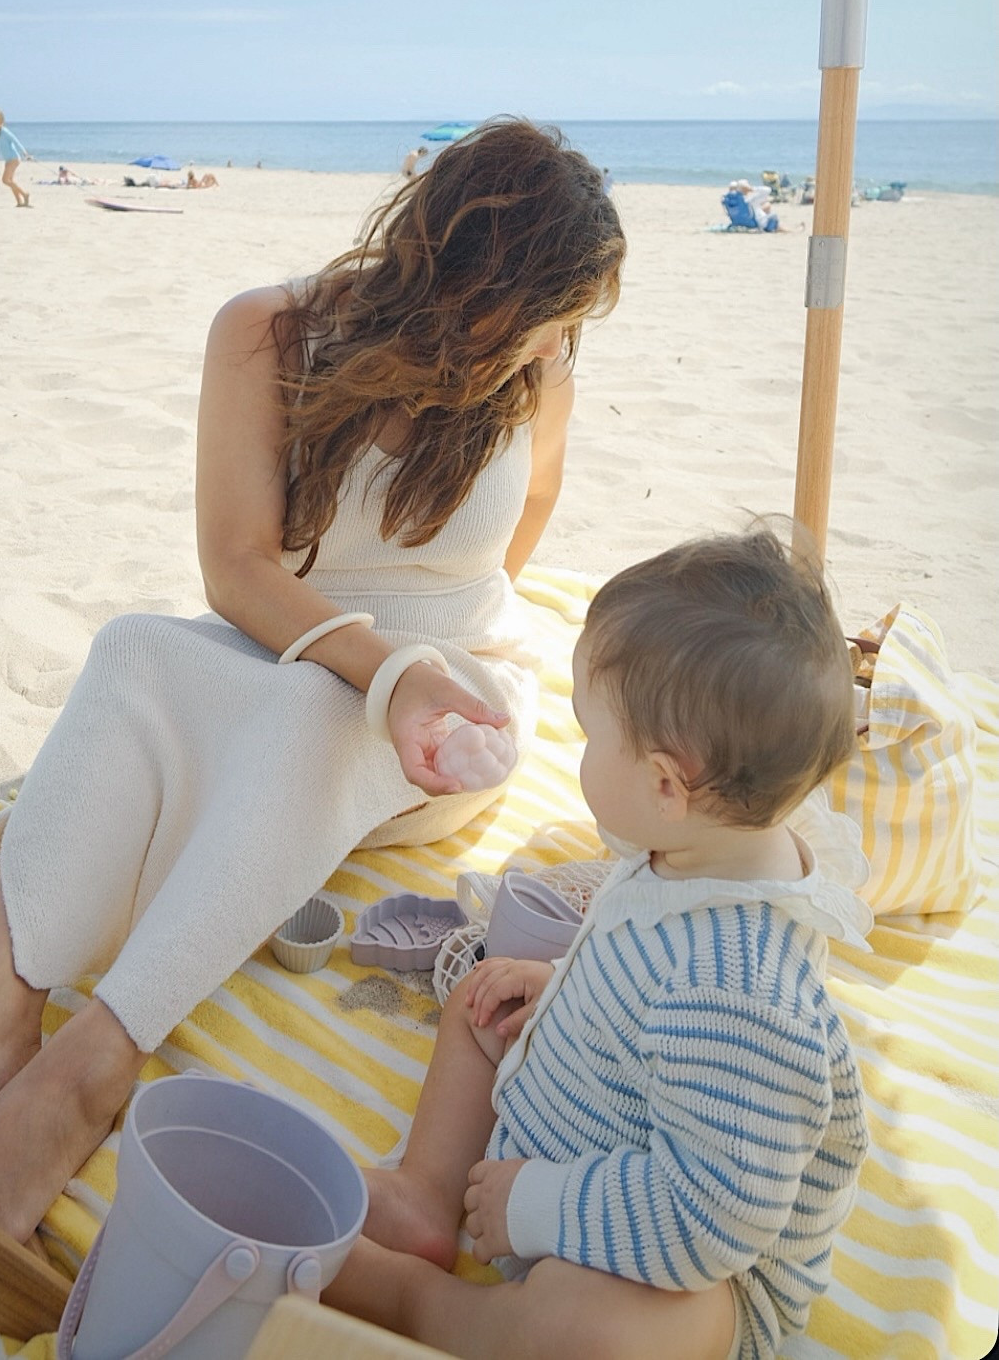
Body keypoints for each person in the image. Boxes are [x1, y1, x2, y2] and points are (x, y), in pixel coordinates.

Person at [0, 117, 626, 1244]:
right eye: (538, 314)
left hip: (437, 724)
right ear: (456, 271)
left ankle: (93, 1063)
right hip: (289, 647)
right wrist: (386, 661)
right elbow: (236, 569)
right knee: (131, 646)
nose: (548, 344)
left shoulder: (542, 369)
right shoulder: (272, 332)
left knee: (311, 714)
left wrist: (443, 655)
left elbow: (542, 501)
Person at [326, 528, 872, 1360]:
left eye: (588, 734)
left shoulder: (744, 994)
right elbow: (635, 962)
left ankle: (419, 1301)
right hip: (602, 1125)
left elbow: (707, 1221)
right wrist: (559, 984)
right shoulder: (692, 846)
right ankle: (426, 1196)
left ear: (663, 782)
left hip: (690, 1267)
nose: (576, 751)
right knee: (482, 1003)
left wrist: (539, 1203)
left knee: (592, 1329)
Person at [0, 109, 32, 207]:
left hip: (14, 159)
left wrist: (25, 153)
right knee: (10, 180)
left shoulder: (4, 131)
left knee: (5, 180)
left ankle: (24, 194)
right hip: (8, 160)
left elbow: (15, 140)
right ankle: (19, 202)